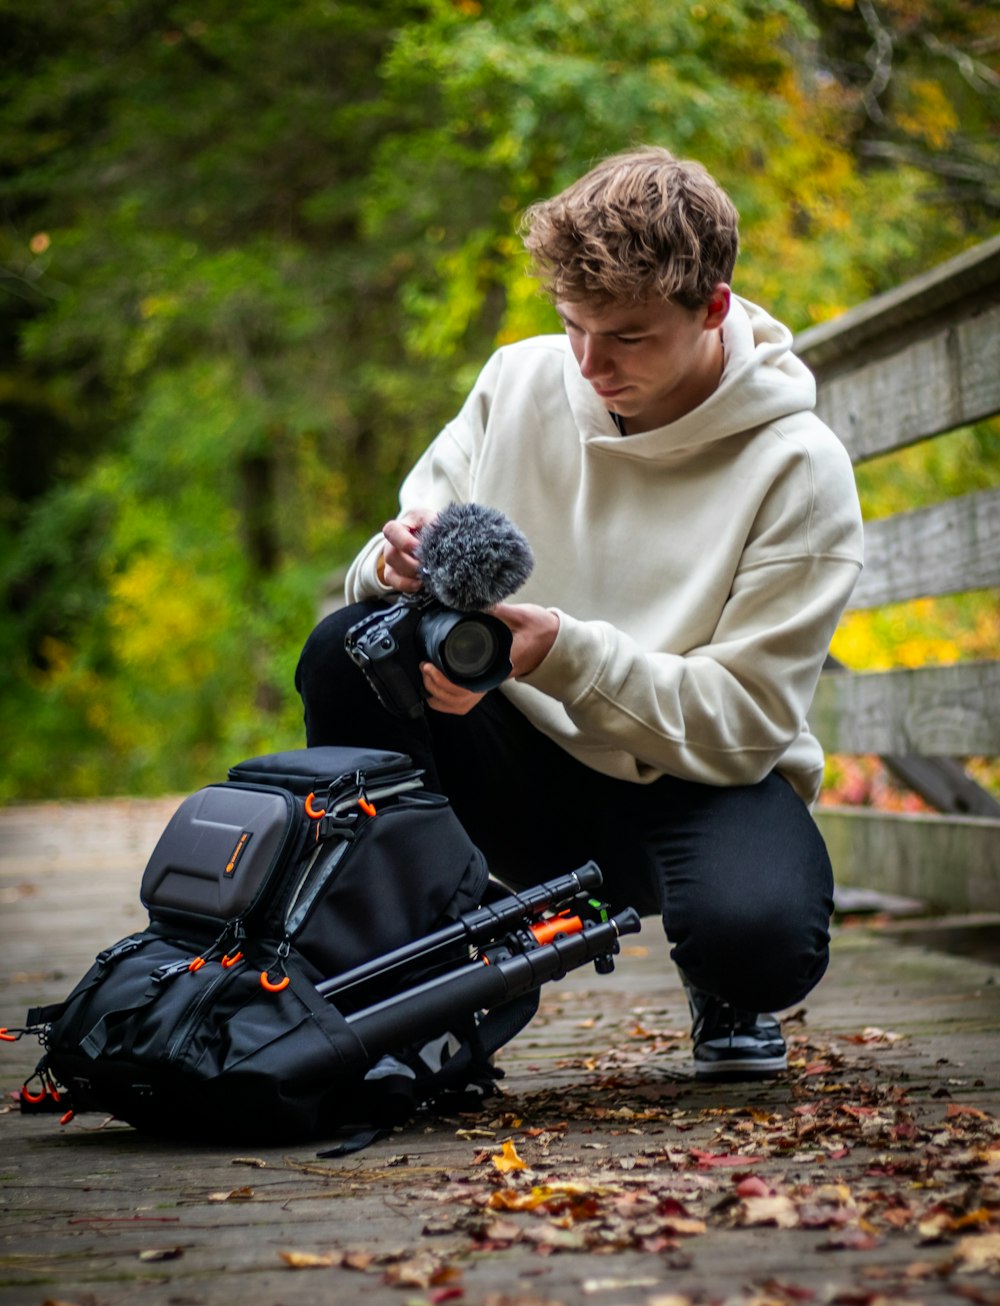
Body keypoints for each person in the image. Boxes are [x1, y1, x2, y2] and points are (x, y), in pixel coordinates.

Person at [295, 146, 864, 1080]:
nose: (592, 365)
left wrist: (565, 653)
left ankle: (724, 986)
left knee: (759, 944)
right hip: (511, 757)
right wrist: (391, 561)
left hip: (693, 778)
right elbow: (393, 562)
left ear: (712, 307)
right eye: (574, 328)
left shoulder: (798, 465)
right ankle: (400, 978)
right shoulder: (519, 380)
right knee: (346, 648)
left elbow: (750, 725)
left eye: (630, 337)